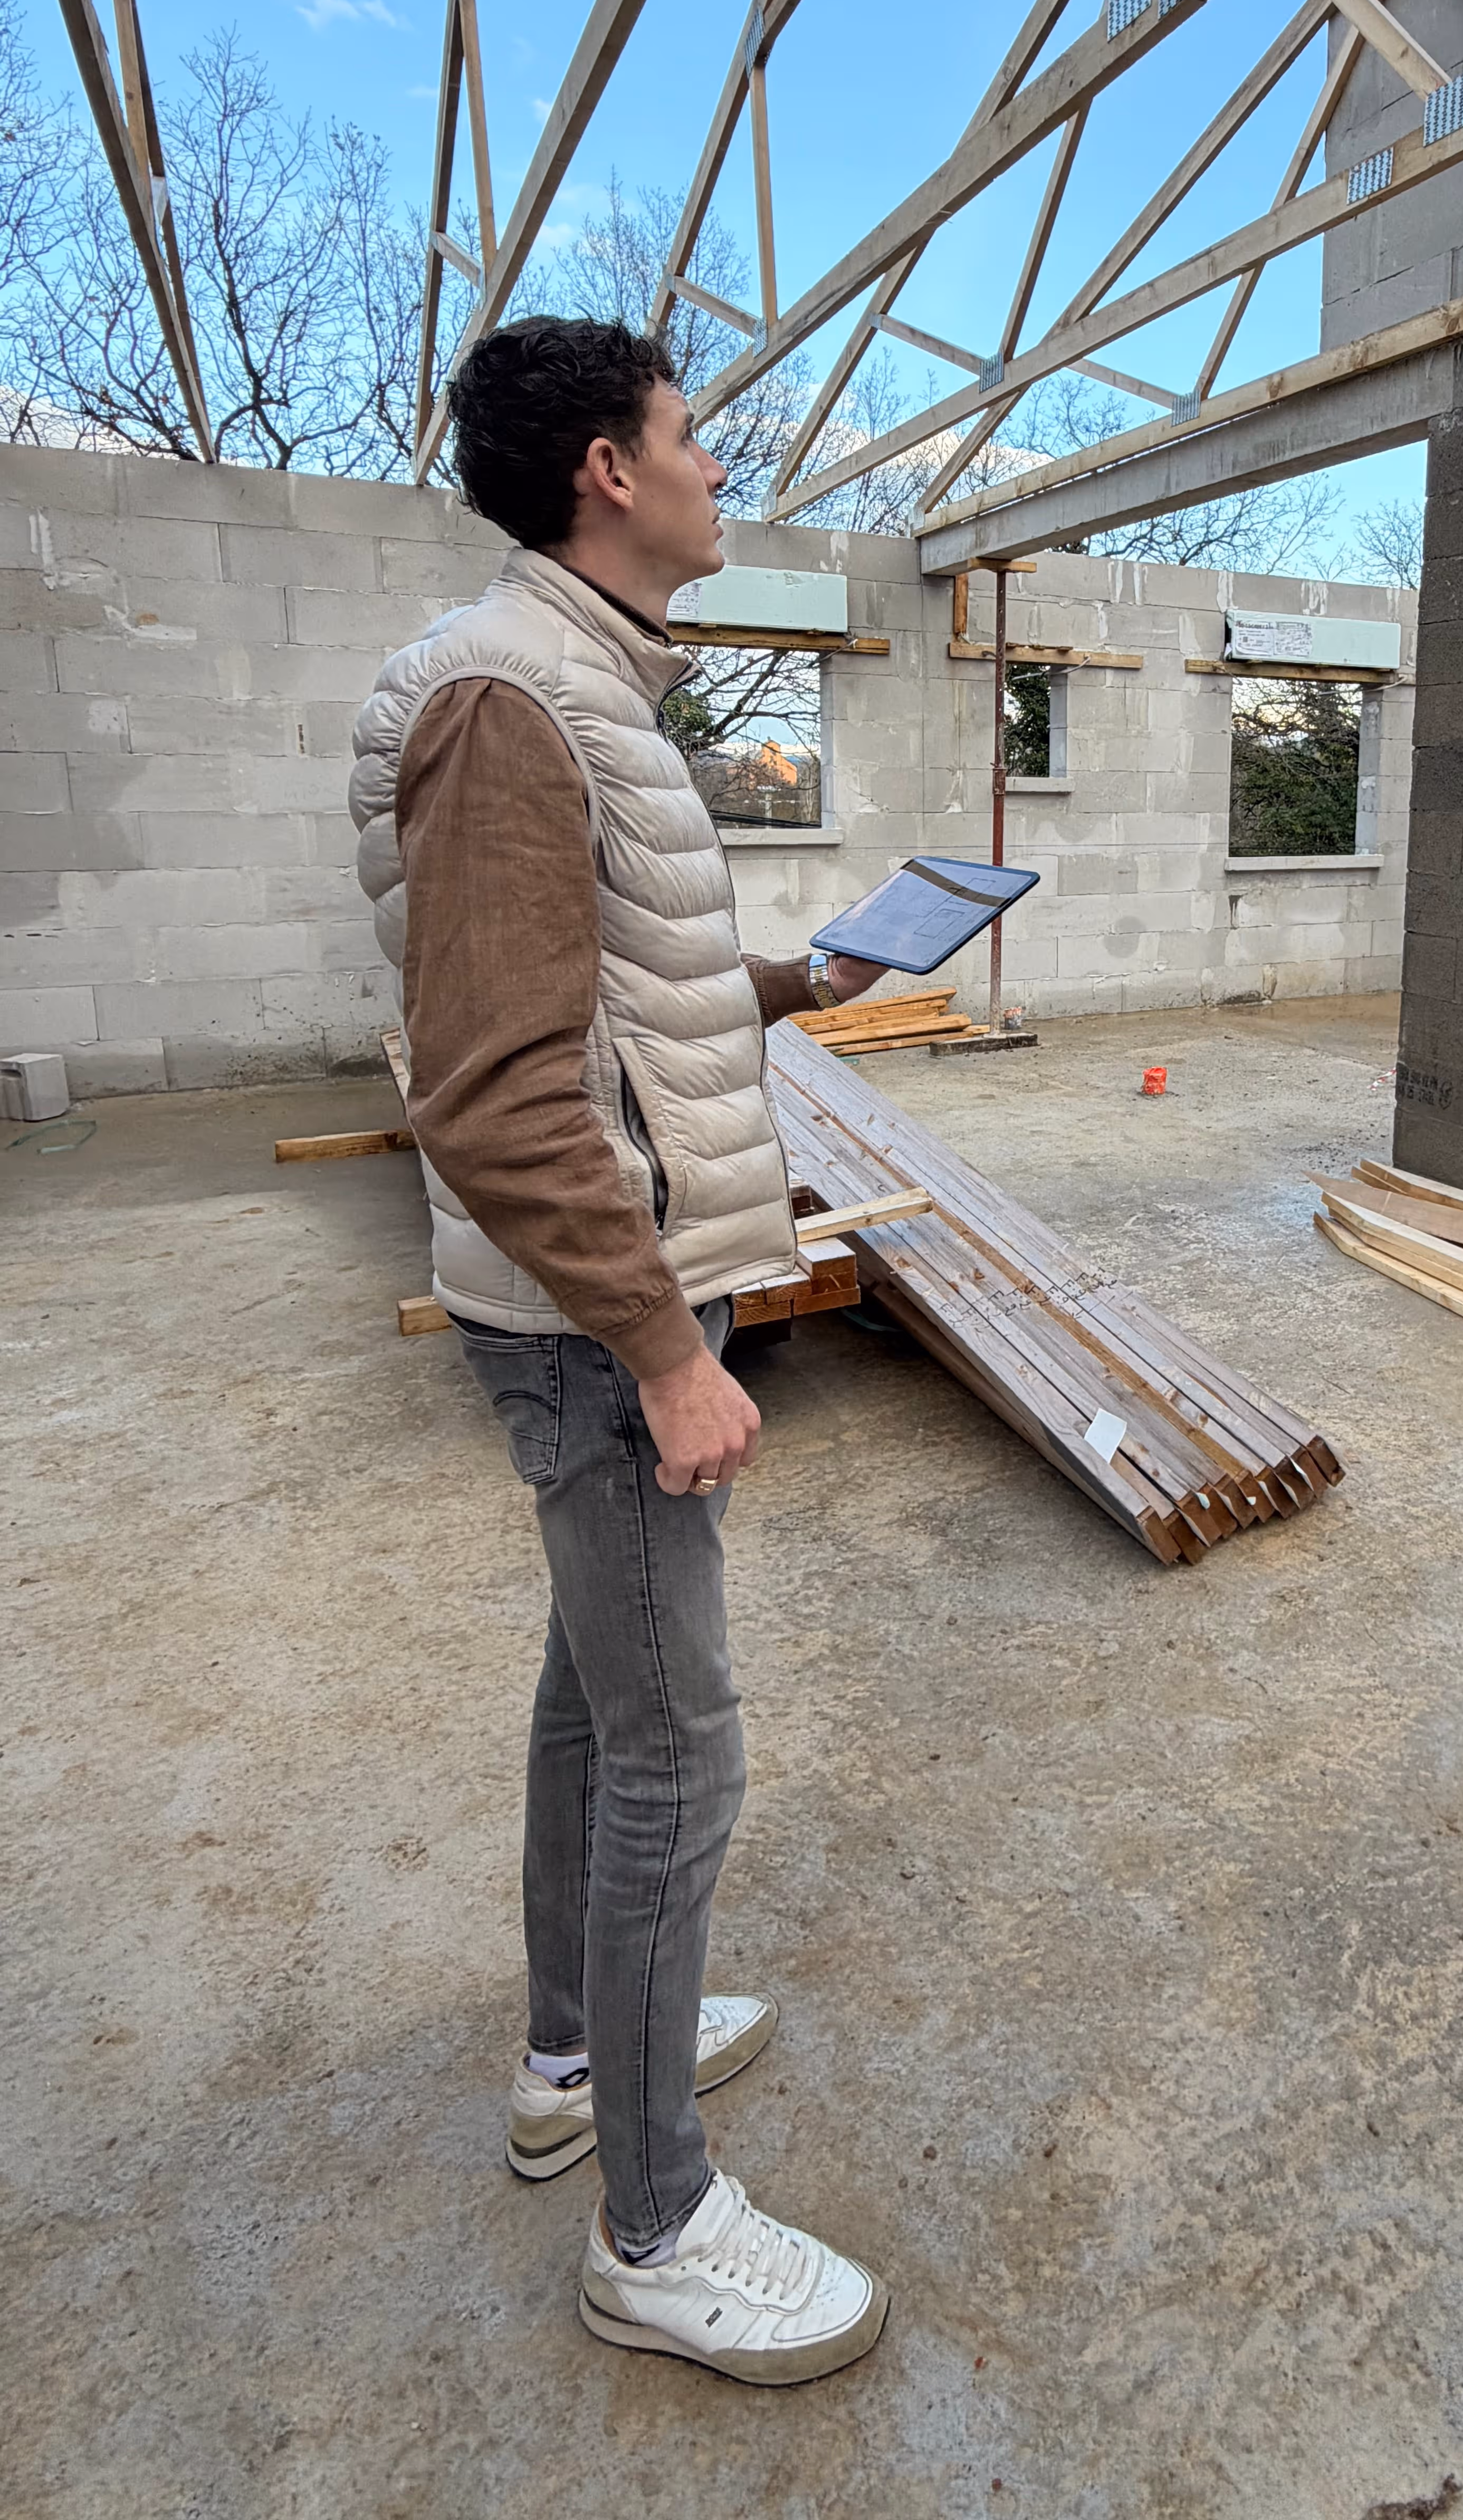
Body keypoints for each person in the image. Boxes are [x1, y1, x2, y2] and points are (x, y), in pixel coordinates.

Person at [349, 316, 890, 2386]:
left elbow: (584, 997)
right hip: (591, 1329)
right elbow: (493, 1092)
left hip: (597, 1313)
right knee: (681, 1746)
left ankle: (574, 2057)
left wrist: (780, 975)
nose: (712, 463)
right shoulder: (512, 699)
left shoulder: (568, 684)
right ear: (603, 470)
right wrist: (670, 1347)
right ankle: (653, 2230)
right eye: (688, 435)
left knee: (601, 1699)